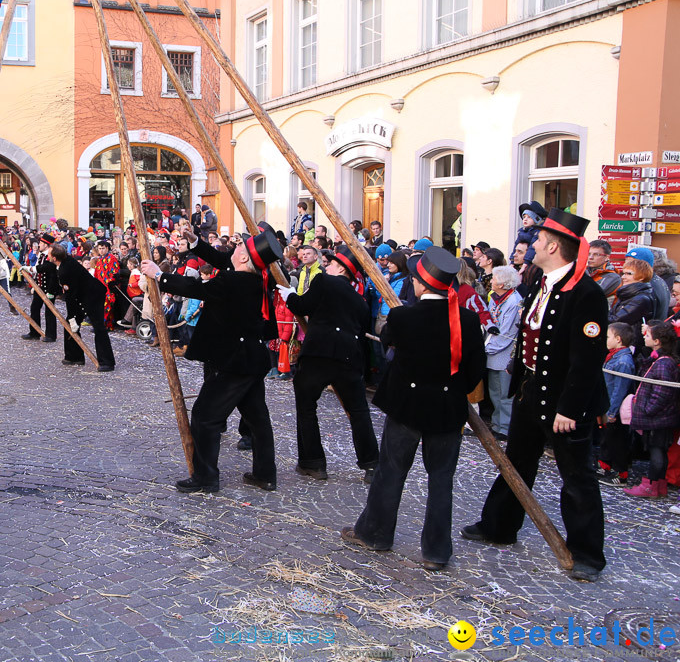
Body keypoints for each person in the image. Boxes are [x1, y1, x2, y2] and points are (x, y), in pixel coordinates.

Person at [462, 208, 608, 583]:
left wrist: (570, 409)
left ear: (554, 246)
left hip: (564, 404)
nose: (529, 246)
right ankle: (499, 526)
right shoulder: (542, 283)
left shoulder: (585, 293)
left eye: (537, 241)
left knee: (577, 478)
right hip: (530, 394)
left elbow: (587, 361)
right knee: (516, 463)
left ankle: (587, 553)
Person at [341, 246, 486, 571]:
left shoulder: (403, 315)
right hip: (448, 409)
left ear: (421, 283)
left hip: (407, 407)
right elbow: (476, 367)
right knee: (441, 479)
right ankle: (436, 551)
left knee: (391, 471)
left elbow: (387, 340)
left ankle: (376, 534)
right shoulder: (467, 318)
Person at [141, 226, 280, 493]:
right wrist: (196, 242)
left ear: (242, 259)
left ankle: (206, 477)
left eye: (239, 247)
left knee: (205, 416)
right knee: (258, 419)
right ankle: (265, 474)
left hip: (234, 362)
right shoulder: (255, 277)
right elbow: (221, 260)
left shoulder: (233, 281)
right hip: (251, 358)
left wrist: (159, 275)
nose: (234, 248)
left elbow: (196, 288)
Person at [283, 245, 379, 483]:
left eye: (331, 263)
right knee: (358, 412)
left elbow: (302, 306)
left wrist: (290, 296)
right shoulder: (360, 301)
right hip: (349, 357)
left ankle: (313, 462)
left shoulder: (323, 282)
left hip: (319, 354)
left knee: (307, 408)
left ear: (341, 268)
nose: (327, 265)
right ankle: (372, 464)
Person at [622, 321, 680, 498]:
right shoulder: (660, 360)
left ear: (657, 341)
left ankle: (652, 484)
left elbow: (661, 394)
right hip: (659, 416)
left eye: (648, 335)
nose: (644, 337)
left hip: (658, 418)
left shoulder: (664, 363)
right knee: (658, 451)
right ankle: (658, 485)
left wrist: (647, 410)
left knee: (657, 451)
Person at [50, 245, 116, 371]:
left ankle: (107, 362)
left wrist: (73, 318)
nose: (48, 255)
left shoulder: (65, 270)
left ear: (54, 258)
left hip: (93, 296)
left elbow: (70, 296)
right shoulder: (64, 262)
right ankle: (74, 356)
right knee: (69, 325)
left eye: (49, 254)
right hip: (82, 296)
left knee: (99, 328)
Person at [596, 322, 636, 486]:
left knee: (617, 441)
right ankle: (605, 465)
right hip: (608, 404)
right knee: (607, 438)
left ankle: (621, 474)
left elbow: (620, 388)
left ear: (618, 339)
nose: (605, 339)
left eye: (608, 337)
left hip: (616, 409)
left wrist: (612, 412)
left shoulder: (623, 362)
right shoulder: (614, 356)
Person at [485, 266, 523, 438]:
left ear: (502, 282)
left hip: (504, 353)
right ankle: (497, 424)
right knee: (494, 391)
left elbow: (506, 333)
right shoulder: (496, 298)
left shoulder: (513, 301)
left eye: (493, 278)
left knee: (505, 393)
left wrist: (487, 348)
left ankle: (505, 428)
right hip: (492, 352)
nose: (491, 280)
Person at [22, 233, 60, 343]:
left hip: (49, 288)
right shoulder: (41, 255)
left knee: (49, 311)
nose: (39, 245)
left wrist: (51, 291)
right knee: (34, 308)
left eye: (41, 243)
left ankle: (51, 335)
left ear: (46, 245)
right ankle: (34, 332)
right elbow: (39, 272)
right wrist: (35, 284)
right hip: (40, 287)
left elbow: (50, 271)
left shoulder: (51, 255)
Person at [608, 249, 656, 326]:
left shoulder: (641, 299)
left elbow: (616, 320)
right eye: (623, 273)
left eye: (629, 274)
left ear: (642, 276)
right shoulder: (626, 293)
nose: (623, 277)